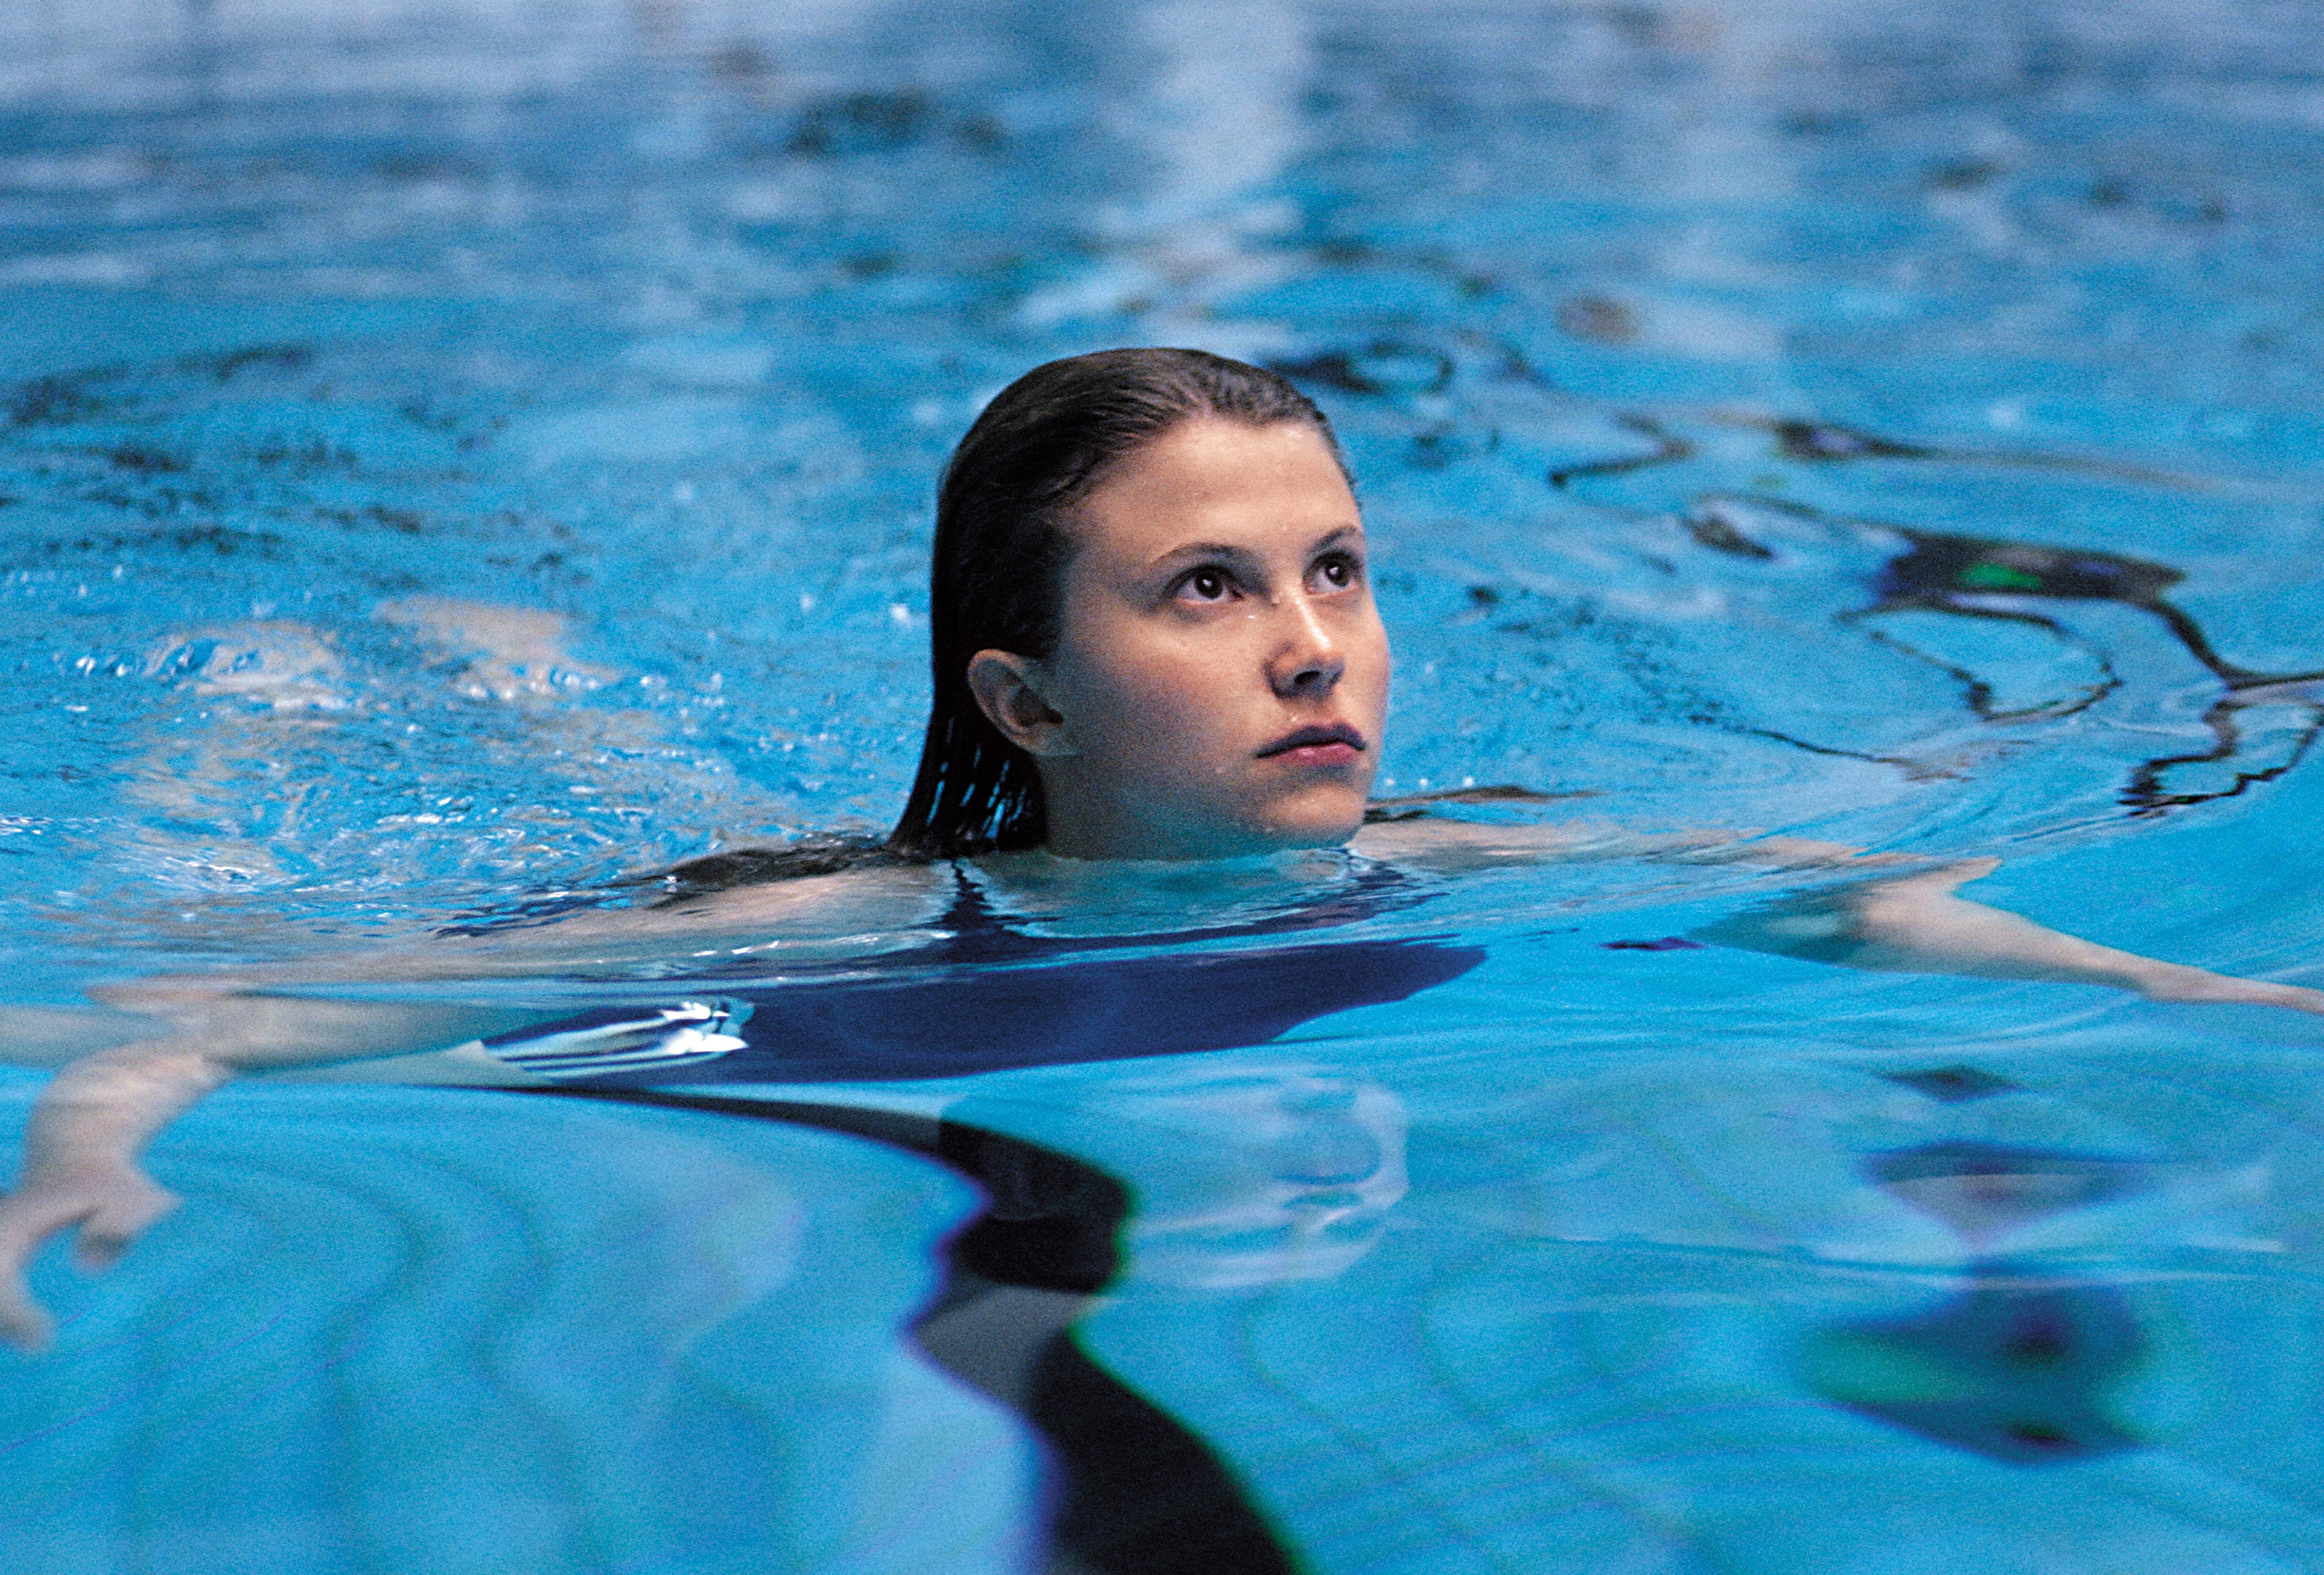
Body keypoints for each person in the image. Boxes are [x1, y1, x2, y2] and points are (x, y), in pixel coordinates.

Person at [2, 347, 2317, 1351]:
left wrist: (2172, 1000)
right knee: (601, 820)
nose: (1314, 647)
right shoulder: (882, 929)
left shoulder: (1482, 849)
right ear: (1025, 702)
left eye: (1334, 570)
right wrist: (81, 1144)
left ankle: (515, 661)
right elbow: (211, 1004)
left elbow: (1840, 897)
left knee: (611, 758)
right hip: (755, 886)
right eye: (1205, 590)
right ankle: (405, 663)